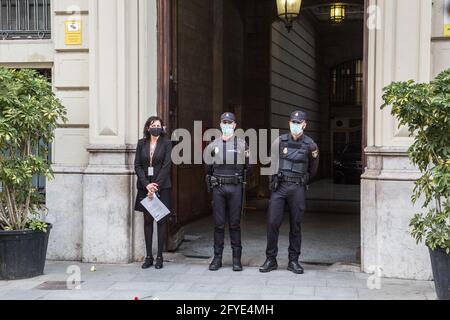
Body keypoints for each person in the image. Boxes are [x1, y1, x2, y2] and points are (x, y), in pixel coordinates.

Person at [260, 111, 319, 275]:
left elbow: (313, 169)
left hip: (297, 187)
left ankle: (293, 260)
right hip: (280, 187)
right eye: (293, 122)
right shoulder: (279, 141)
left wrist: (302, 180)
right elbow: (272, 163)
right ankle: (270, 259)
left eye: (298, 122)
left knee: (296, 224)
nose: (295, 125)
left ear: (304, 124)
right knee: (272, 222)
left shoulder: (311, 145)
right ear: (289, 123)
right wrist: (272, 183)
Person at [205, 112, 252, 272]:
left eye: (229, 122)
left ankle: (236, 259)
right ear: (220, 125)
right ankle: (217, 258)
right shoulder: (212, 145)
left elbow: (249, 167)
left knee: (234, 224)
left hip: (235, 187)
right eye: (224, 122)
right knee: (218, 225)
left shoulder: (242, 145)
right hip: (218, 188)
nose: (226, 125)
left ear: (234, 125)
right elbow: (208, 168)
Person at [134, 116, 173, 270]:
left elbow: (166, 165)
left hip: (162, 187)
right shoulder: (141, 143)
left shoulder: (167, 143)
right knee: (148, 221)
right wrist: (146, 185)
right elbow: (137, 165)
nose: (156, 127)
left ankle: (159, 257)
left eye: (159, 125)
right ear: (148, 128)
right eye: (153, 125)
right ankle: (149, 256)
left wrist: (155, 186)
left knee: (161, 221)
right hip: (145, 187)